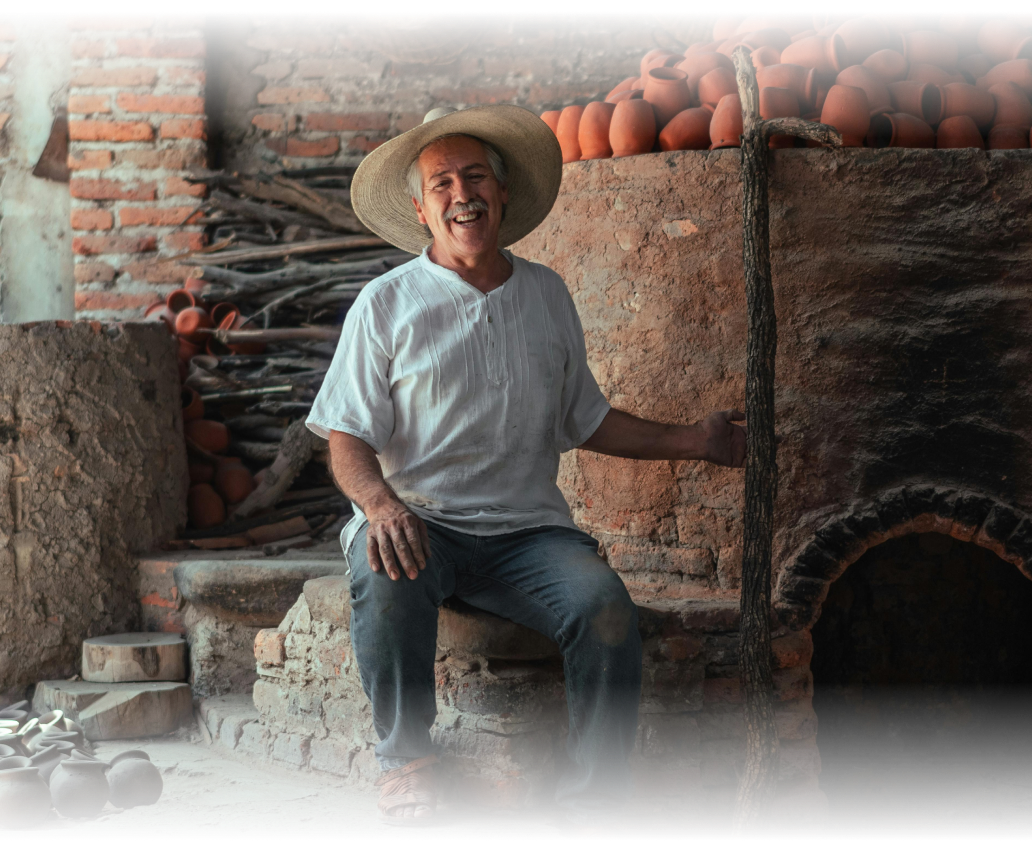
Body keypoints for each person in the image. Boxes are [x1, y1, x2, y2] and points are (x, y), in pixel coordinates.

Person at [306, 104, 746, 839]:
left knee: (605, 607)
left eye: (475, 175)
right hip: (421, 520)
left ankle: (594, 801)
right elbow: (345, 435)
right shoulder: (385, 304)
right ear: (420, 208)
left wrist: (695, 440)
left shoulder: (547, 295)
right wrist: (380, 505)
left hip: (526, 534)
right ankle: (406, 759)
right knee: (385, 574)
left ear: (504, 193)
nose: (461, 193)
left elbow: (588, 419)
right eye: (441, 182)